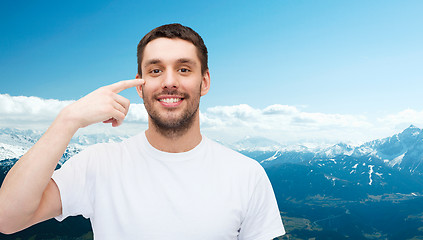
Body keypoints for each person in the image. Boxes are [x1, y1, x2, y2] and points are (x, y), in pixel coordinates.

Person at [0, 23, 285, 239]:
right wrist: (68, 119)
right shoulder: (99, 163)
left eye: (184, 69)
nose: (169, 82)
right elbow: (8, 217)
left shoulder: (247, 175)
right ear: (140, 84)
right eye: (155, 71)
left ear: (205, 82)